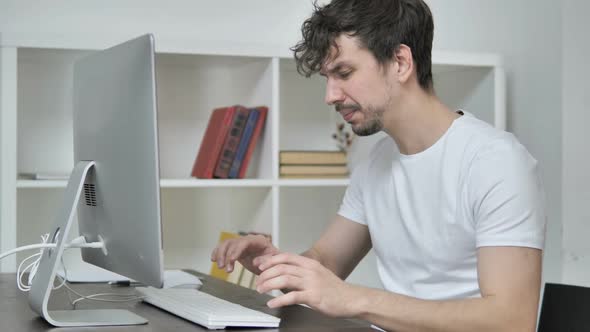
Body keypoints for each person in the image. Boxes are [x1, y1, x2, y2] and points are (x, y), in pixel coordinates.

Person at [211, 0, 546, 331]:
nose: (330, 96)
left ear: (400, 62)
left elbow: (511, 320)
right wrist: (274, 264)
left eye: (344, 73)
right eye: (327, 78)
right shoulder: (378, 162)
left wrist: (354, 300)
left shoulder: (495, 161)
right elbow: (327, 263)